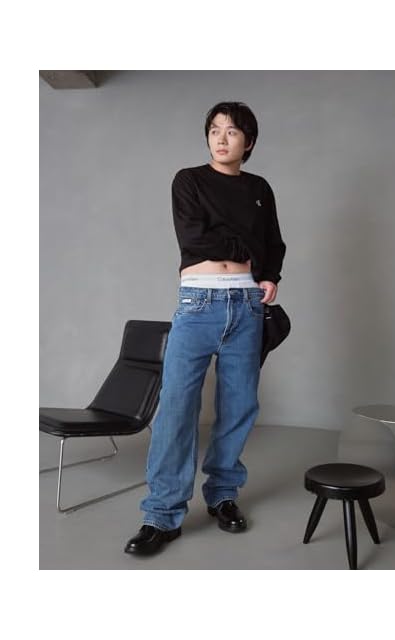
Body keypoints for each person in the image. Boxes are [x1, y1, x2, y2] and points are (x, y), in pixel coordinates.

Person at [125, 101, 286, 556]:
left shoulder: (259, 188)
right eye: (214, 130)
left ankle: (223, 495)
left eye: (232, 131)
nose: (221, 138)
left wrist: (268, 273)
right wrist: (244, 247)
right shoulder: (189, 181)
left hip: (247, 305)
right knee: (176, 407)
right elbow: (195, 237)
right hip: (198, 304)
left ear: (248, 142)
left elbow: (271, 241)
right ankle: (161, 514)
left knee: (239, 405)